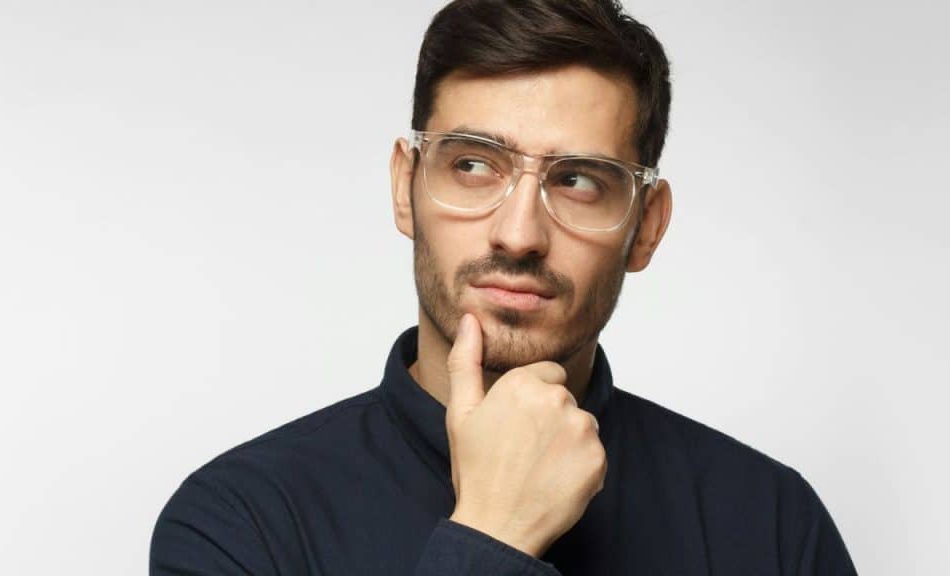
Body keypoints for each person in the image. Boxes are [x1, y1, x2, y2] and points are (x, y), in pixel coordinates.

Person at [150, 1, 857, 574]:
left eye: (578, 180)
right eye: (473, 166)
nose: (518, 234)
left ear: (646, 226)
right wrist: (492, 538)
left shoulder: (771, 522)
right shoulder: (239, 523)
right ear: (406, 186)